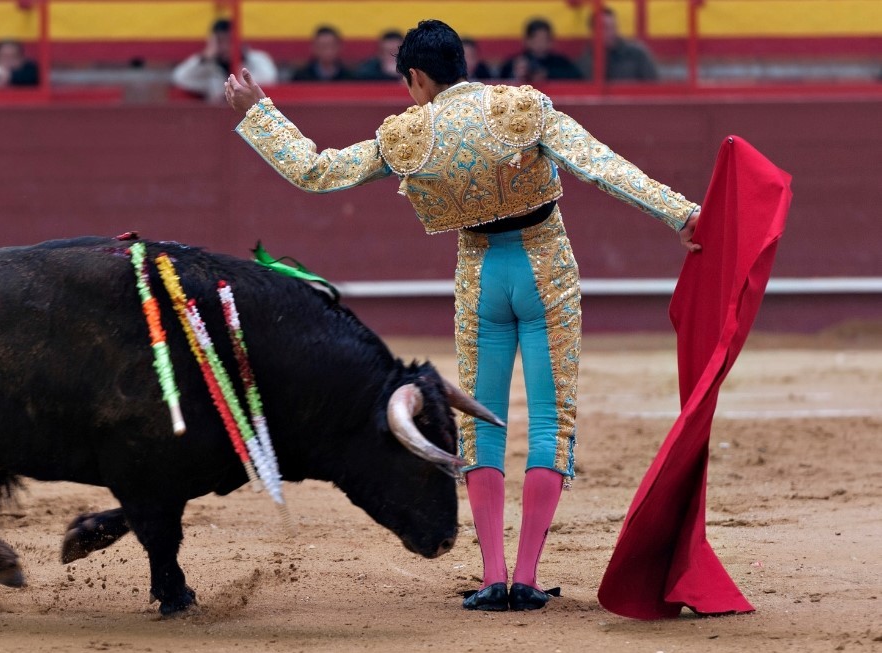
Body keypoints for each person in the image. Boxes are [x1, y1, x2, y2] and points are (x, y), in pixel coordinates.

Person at [225, 19, 699, 612]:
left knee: (481, 421)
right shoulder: (520, 108)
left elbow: (316, 171)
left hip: (481, 279)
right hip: (545, 270)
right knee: (550, 422)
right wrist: (682, 215)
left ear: (417, 77)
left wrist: (258, 113)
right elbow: (603, 166)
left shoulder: (409, 133)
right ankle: (528, 579)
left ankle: (493, 577)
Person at [172, 18, 277, 102]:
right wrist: (205, 58)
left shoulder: (256, 59)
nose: (225, 47)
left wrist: (235, 86)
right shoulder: (208, 67)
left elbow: (269, 77)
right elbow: (180, 78)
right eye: (220, 41)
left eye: (229, 41)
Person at [578, 7, 659, 81]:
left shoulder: (637, 54)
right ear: (592, 31)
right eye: (605, 28)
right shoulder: (584, 62)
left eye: (613, 27)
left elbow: (654, 85)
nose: (611, 32)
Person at [498, 18, 583, 82]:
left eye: (543, 39)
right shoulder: (513, 62)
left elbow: (578, 78)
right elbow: (499, 83)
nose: (540, 44)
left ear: (550, 41)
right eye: (536, 39)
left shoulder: (560, 62)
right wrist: (515, 75)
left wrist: (547, 74)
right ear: (527, 41)